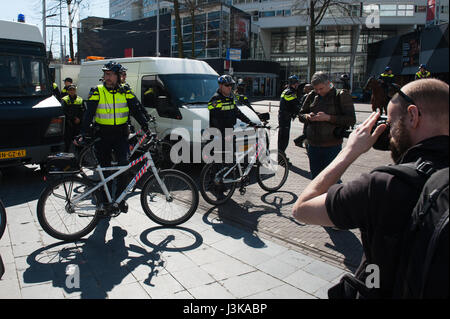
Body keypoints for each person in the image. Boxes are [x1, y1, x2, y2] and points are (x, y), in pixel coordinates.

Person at [292, 78, 449, 298]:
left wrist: (350, 151)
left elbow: (302, 209)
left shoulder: (383, 185)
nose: (389, 135)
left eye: (393, 123)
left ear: (413, 116)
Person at [77, 61, 151, 213]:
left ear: (118, 76)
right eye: (105, 74)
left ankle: (119, 200)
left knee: (124, 167)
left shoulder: (125, 90)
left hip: (120, 135)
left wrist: (146, 126)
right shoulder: (97, 91)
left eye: (110, 74)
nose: (107, 77)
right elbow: (88, 114)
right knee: (106, 170)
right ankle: (105, 202)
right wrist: (83, 132)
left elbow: (136, 109)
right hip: (102, 135)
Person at [298, 72, 356, 179]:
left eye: (321, 88)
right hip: (313, 146)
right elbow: (301, 114)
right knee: (315, 179)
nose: (319, 92)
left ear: (329, 84)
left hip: (332, 147)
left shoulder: (341, 95)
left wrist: (328, 118)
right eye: (316, 89)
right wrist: (307, 117)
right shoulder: (312, 95)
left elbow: (351, 120)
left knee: (331, 180)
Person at [207, 74, 258, 162]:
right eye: (227, 85)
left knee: (231, 158)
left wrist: (250, 122)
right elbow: (216, 119)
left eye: (231, 85)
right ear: (220, 86)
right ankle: (218, 175)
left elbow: (237, 113)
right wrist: (224, 134)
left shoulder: (230, 98)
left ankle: (229, 174)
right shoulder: (216, 99)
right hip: (219, 134)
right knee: (220, 160)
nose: (229, 87)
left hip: (229, 131)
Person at [278, 75, 301, 164]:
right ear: (293, 83)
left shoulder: (286, 91)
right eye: (296, 83)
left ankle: (280, 156)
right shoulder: (290, 93)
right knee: (284, 139)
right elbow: (295, 106)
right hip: (285, 118)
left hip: (283, 118)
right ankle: (281, 158)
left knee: (282, 138)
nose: (297, 85)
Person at [61, 84, 85, 152]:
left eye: (73, 90)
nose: (72, 91)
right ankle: (65, 158)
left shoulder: (80, 99)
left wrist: (79, 119)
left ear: (75, 90)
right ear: (68, 91)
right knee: (67, 142)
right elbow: (64, 111)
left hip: (78, 124)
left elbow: (83, 111)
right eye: (70, 90)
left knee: (79, 141)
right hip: (69, 124)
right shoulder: (64, 100)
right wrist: (74, 118)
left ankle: (81, 158)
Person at [294, 84, 314, 148]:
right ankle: (298, 141)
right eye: (304, 88)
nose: (304, 89)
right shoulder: (307, 96)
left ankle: (302, 142)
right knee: (307, 132)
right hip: (307, 115)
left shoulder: (309, 95)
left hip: (307, 115)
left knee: (306, 131)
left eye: (305, 88)